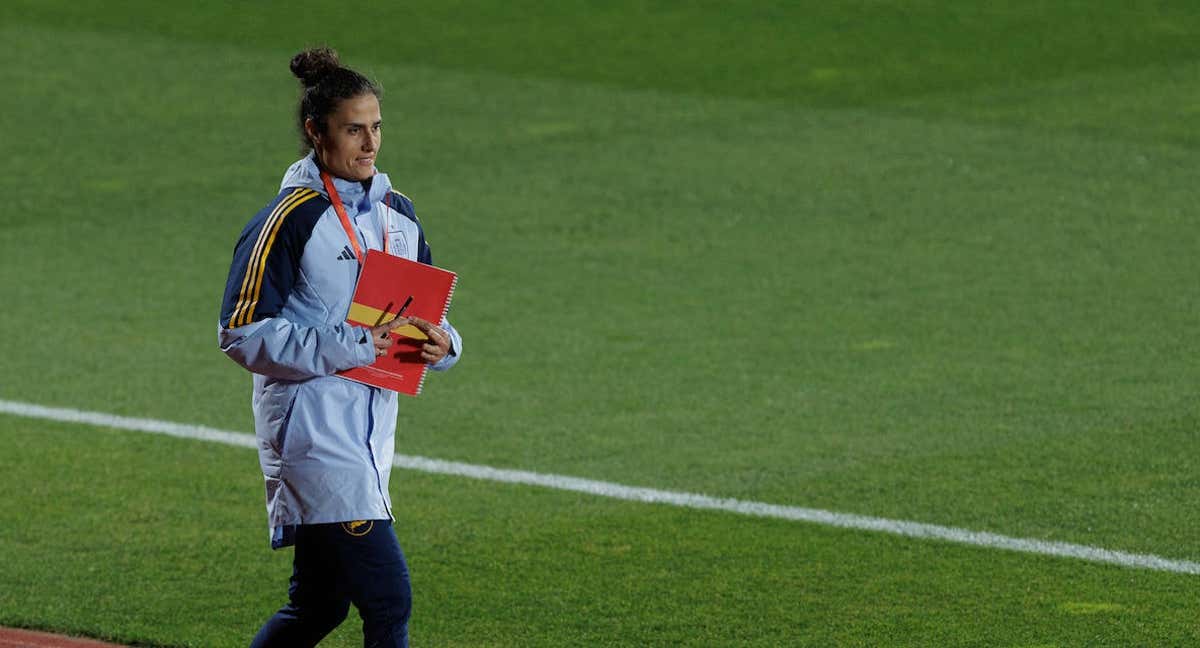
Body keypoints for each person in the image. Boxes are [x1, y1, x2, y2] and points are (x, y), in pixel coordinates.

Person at [217, 47, 462, 647]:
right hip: (313, 436)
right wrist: (355, 343)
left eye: (376, 127)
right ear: (315, 132)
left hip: (373, 438)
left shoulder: (398, 215)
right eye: (354, 129)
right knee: (388, 599)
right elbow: (241, 332)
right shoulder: (290, 218)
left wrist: (444, 344)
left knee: (319, 607)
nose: (370, 143)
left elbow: (431, 317)